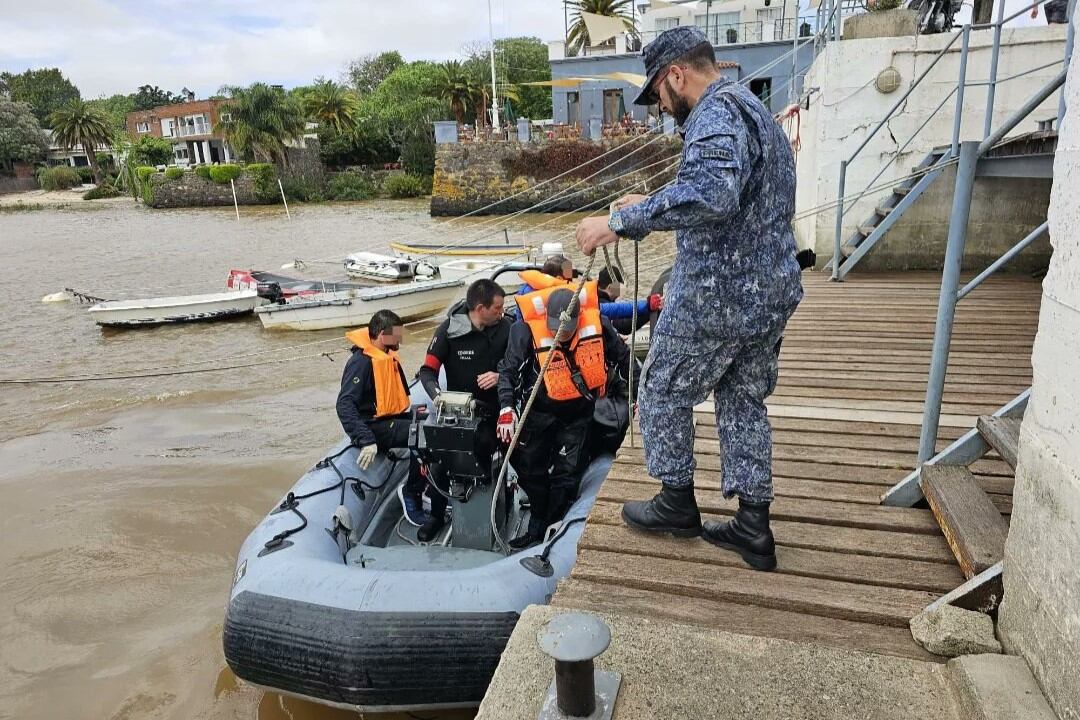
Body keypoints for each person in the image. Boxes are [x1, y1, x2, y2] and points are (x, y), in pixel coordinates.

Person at [573, 26, 804, 572]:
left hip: (720, 294)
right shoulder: (749, 106)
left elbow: (712, 193)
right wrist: (653, 198)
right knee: (742, 399)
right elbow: (735, 186)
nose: (659, 107)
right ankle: (753, 525)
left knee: (660, 389)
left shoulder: (714, 114)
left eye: (657, 95)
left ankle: (676, 503)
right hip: (769, 290)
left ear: (676, 74)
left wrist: (619, 221)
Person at [497, 283, 631, 549]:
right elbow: (508, 372)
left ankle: (553, 521)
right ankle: (538, 513)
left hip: (577, 414)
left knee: (567, 471)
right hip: (538, 412)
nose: (561, 334)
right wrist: (506, 408)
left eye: (567, 329)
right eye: (556, 327)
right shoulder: (524, 332)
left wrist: (637, 395)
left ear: (579, 320)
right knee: (528, 466)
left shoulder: (599, 327)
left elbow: (624, 359)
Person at [416, 279, 511, 541]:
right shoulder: (448, 331)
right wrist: (438, 397)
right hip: (459, 414)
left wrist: (499, 376)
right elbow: (427, 372)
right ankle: (436, 515)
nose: (502, 313)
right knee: (438, 459)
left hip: (496, 410)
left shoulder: (508, 328)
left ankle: (505, 501)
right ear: (480, 308)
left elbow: (520, 366)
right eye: (497, 308)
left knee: (503, 453)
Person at [336, 309, 429, 527]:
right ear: (381, 335)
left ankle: (427, 484)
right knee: (423, 434)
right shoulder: (361, 363)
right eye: (395, 334)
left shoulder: (386, 357)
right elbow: (344, 404)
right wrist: (365, 439)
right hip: (373, 426)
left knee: (429, 421)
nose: (400, 339)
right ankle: (411, 494)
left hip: (387, 417)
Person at [515, 255, 663, 325]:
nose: (572, 283)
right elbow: (607, 310)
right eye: (569, 280)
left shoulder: (525, 293)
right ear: (560, 278)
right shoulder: (559, 296)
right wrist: (646, 305)